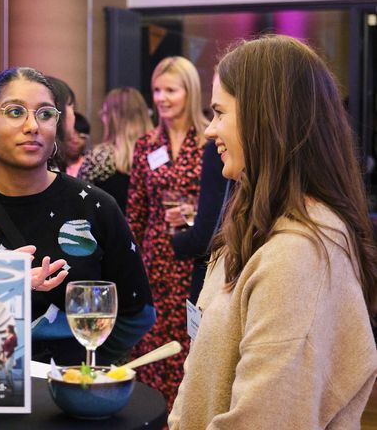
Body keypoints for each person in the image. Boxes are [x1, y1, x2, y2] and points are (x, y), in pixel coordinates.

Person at [169, 35, 377, 429]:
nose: (210, 131)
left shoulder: (298, 255)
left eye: (219, 112)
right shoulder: (256, 224)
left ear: (265, 117)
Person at [0, 67, 155, 366]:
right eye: (15, 112)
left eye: (45, 114)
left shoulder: (95, 208)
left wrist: (88, 359)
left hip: (72, 389)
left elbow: (137, 310)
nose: (32, 126)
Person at [126, 56, 208, 408]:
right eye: (157, 90)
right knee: (153, 346)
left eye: (170, 90)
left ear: (189, 92)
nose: (161, 98)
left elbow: (227, 204)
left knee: (193, 346)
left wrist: (194, 213)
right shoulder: (146, 145)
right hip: (155, 263)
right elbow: (136, 210)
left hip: (195, 260)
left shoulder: (209, 143)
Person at [167, 139, 230, 304]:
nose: (210, 130)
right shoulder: (147, 143)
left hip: (210, 267)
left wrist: (177, 240)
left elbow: (209, 232)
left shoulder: (216, 148)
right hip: (161, 261)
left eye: (220, 114)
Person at [78, 87, 153, 213]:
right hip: (152, 231)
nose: (101, 117)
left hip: (108, 231)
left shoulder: (100, 158)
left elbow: (78, 200)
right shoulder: (157, 154)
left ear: (112, 118)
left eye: (105, 113)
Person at [63, 112, 90, 177]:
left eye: (82, 137)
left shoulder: (90, 167)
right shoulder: (51, 166)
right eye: (72, 135)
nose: (76, 141)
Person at [1, 324, 18, 390]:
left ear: (10, 329)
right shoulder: (7, 336)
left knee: (8, 371)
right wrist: (2, 355)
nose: (6, 329)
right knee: (6, 371)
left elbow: (12, 349)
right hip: (5, 354)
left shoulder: (13, 337)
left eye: (7, 328)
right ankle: (9, 385)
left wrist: (6, 357)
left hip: (10, 355)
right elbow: (4, 346)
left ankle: (11, 386)